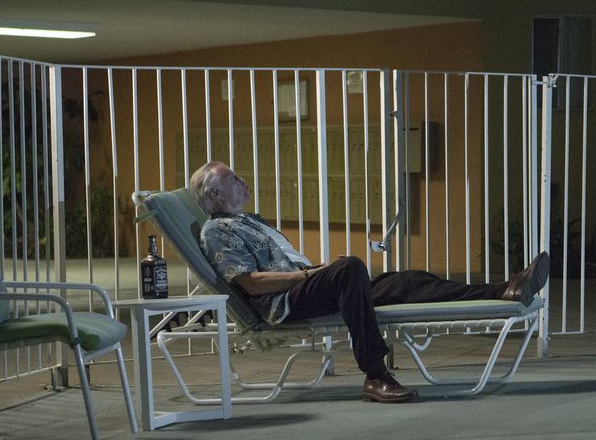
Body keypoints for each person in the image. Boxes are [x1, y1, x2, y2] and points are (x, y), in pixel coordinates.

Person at [189, 161, 550, 403]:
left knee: (405, 281)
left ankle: (504, 289)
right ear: (215, 194)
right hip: (282, 303)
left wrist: (318, 271)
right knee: (349, 268)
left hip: (301, 284)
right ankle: (375, 374)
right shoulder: (217, 232)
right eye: (231, 178)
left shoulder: (249, 221)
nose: (241, 180)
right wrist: (311, 275)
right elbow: (250, 283)